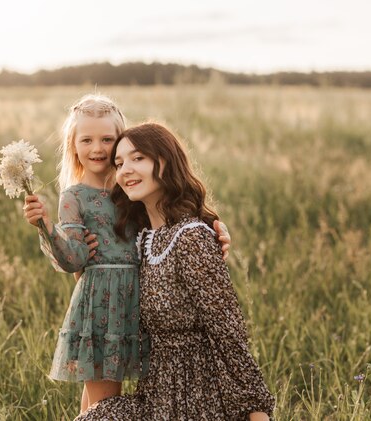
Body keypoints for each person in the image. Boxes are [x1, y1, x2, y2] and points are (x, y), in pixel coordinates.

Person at [23, 94, 232, 413]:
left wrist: (214, 227)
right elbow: (74, 260)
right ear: (73, 145)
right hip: (102, 308)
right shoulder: (74, 196)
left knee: (104, 406)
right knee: (103, 404)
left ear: (121, 142)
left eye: (108, 139)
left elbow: (173, 216)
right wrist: (47, 227)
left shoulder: (131, 189)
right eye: (87, 140)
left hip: (142, 303)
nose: (97, 148)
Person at [75, 123, 274, 420]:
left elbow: (229, 333)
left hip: (201, 402)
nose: (125, 169)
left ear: (165, 161)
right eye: (119, 163)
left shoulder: (192, 237)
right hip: (155, 400)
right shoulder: (139, 240)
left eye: (138, 158)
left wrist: (257, 413)